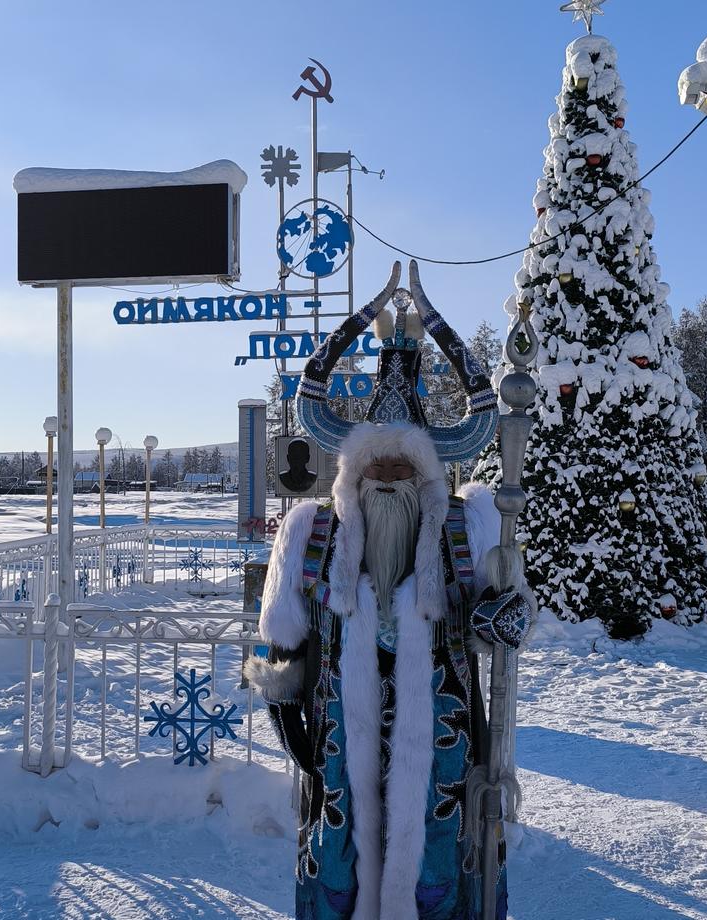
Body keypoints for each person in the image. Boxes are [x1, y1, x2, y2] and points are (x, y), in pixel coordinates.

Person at [246, 261, 520, 920]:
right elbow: (281, 656)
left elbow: (496, 619)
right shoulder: (312, 536)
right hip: (340, 749)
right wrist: (300, 747)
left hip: (445, 753)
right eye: (377, 466)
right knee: (342, 869)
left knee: (439, 867)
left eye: (405, 466)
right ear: (352, 475)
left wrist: (505, 616)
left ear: (429, 476)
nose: (390, 478)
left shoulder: (466, 526)